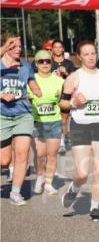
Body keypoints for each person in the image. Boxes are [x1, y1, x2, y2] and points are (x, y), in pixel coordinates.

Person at [59, 41, 99, 221]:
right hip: (80, 125)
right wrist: (73, 103)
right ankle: (74, 188)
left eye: (93, 53)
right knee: (83, 173)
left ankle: (95, 208)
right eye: (86, 54)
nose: (91, 57)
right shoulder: (74, 77)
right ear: (79, 57)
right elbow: (62, 104)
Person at [1, 34, 42, 205]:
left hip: (23, 113)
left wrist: (36, 89)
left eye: (19, 46)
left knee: (22, 153)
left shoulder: (25, 65)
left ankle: (15, 193)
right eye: (13, 45)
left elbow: (31, 82)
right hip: (2, 114)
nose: (18, 49)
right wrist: (2, 94)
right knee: (4, 161)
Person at [29, 50, 63, 196]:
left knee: (52, 154)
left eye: (47, 61)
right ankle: (39, 177)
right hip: (37, 122)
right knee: (40, 154)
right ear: (36, 64)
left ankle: (48, 183)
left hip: (54, 121)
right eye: (41, 61)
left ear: (51, 63)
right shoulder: (31, 80)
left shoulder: (59, 81)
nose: (45, 64)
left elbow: (64, 101)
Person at [50, 39, 76, 155]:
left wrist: (66, 73)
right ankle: (53, 140)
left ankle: (61, 143)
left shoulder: (68, 63)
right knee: (53, 119)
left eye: (60, 47)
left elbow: (75, 79)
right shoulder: (48, 63)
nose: (58, 49)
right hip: (51, 94)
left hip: (65, 93)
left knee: (64, 119)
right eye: (55, 47)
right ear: (52, 49)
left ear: (63, 49)